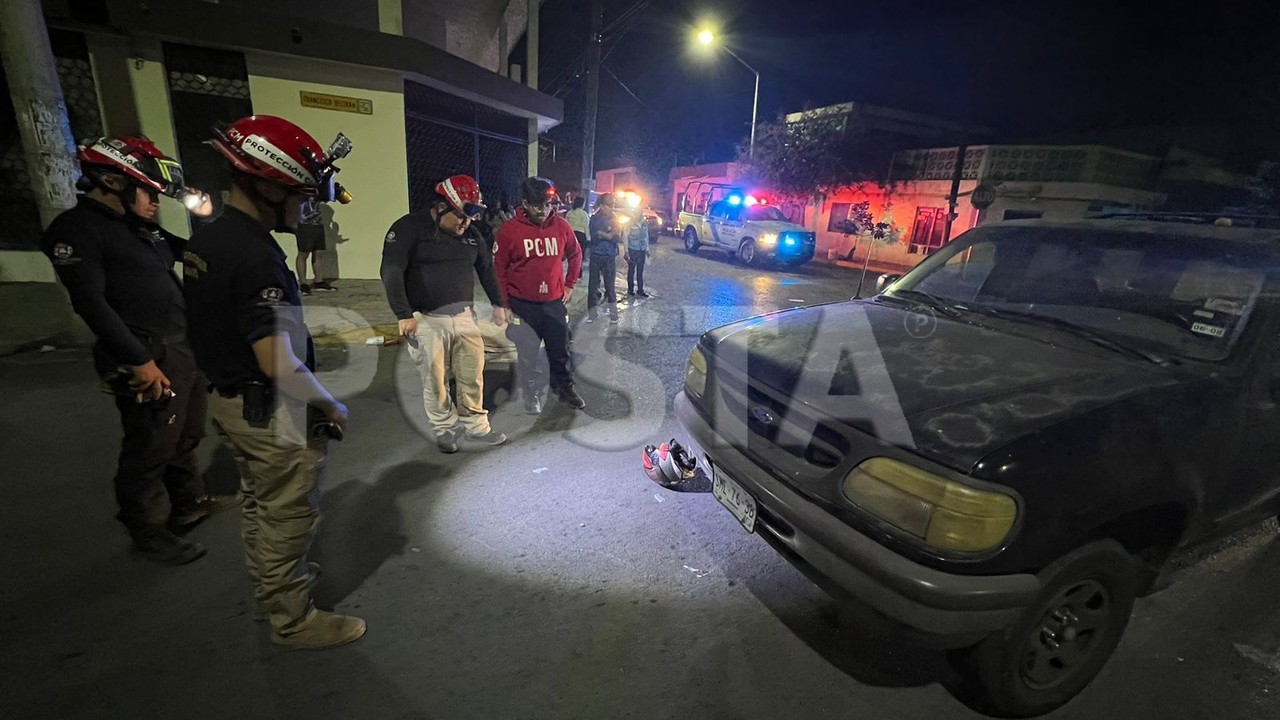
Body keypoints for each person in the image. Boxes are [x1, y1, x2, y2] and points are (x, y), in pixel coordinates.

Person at [183, 115, 365, 649]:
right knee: (288, 512)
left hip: (232, 399)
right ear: (265, 186)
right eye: (298, 194)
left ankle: (270, 591)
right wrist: (329, 403)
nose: (306, 206)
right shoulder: (256, 257)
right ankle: (293, 619)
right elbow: (278, 361)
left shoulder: (212, 238)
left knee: (262, 504)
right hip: (269, 406)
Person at [41, 135, 241, 566]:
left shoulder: (140, 228)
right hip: (145, 354)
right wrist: (138, 361)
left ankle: (188, 504)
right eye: (146, 191)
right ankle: (147, 529)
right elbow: (91, 304)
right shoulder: (75, 232)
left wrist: (206, 220)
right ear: (112, 181)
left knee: (186, 434)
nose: (154, 200)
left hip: (180, 348)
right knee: (149, 445)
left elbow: (190, 253)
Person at [381, 175, 508, 453]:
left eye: (470, 217)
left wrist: (499, 304)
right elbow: (391, 270)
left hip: (464, 317)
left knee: (472, 374)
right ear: (441, 208)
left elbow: (486, 270)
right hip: (427, 319)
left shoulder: (472, 236)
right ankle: (445, 429)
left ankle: (476, 426)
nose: (466, 223)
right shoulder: (409, 228)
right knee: (435, 379)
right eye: (461, 216)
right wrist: (403, 314)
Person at [494, 176, 585, 413]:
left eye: (548, 205)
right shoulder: (509, 232)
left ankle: (563, 387)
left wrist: (569, 284)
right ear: (524, 202)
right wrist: (503, 304)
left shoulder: (562, 226)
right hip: (523, 305)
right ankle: (531, 392)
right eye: (537, 205)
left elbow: (576, 254)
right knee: (528, 354)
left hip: (554, 303)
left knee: (560, 349)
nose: (543, 210)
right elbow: (499, 270)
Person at [586, 193, 623, 323]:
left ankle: (613, 316)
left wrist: (607, 234)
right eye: (608, 205)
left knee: (610, 286)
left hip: (609, 255)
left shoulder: (615, 218)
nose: (611, 208)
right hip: (596, 254)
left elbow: (618, 237)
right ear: (601, 205)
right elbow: (595, 235)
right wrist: (610, 233)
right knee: (593, 286)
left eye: (612, 205)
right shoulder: (594, 219)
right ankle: (592, 314)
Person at [294, 198, 334, 294]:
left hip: (317, 224)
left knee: (318, 253)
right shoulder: (301, 189)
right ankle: (303, 284)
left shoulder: (317, 191)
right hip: (304, 224)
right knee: (303, 254)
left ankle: (318, 281)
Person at [625, 208, 650, 297]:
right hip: (633, 249)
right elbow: (625, 237)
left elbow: (646, 237)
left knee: (640, 271)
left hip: (641, 249)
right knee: (631, 270)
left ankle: (640, 290)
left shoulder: (644, 223)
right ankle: (630, 289)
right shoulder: (629, 224)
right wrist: (626, 251)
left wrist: (647, 249)